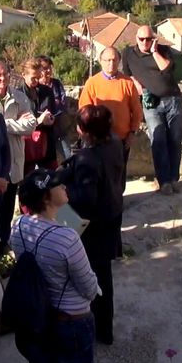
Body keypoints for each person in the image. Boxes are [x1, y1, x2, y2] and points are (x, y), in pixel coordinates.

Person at [11, 169, 99, 363]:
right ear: (46, 198)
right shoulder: (67, 237)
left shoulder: (18, 226)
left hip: (39, 317)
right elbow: (89, 289)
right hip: (71, 320)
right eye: (58, 185)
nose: (64, 187)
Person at [63, 104, 125, 345]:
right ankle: (105, 331)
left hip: (93, 226)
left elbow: (85, 200)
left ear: (83, 131)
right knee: (104, 278)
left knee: (89, 278)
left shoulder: (87, 158)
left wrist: (65, 189)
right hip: (112, 215)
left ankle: (90, 330)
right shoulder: (116, 143)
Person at [122, 25, 182, 195]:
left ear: (153, 39)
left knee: (175, 140)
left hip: (172, 99)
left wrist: (155, 51)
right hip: (151, 102)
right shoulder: (128, 53)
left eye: (148, 39)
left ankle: (173, 179)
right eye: (141, 39)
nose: (145, 42)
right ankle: (164, 181)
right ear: (136, 38)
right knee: (158, 140)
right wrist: (135, 82)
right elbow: (127, 74)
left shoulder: (164, 51)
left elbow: (166, 68)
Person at [0, 59, 37, 245]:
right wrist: (14, 122)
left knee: (7, 211)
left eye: (5, 75)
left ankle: (3, 249)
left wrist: (1, 123)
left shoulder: (19, 97)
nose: (2, 79)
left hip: (14, 162)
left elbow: (31, 126)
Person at [78, 47, 143, 183]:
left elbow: (136, 110)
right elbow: (84, 110)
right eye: (107, 60)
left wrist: (132, 133)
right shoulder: (92, 83)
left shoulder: (127, 83)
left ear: (119, 61)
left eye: (114, 60)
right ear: (101, 61)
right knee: (98, 173)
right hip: (97, 138)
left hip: (122, 138)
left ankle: (118, 201)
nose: (111, 63)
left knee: (119, 172)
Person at [18, 58, 56, 174]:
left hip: (47, 141)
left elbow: (52, 111)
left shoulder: (47, 91)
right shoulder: (18, 95)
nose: (36, 81)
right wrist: (39, 120)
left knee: (51, 176)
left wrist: (51, 119)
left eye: (38, 77)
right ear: (23, 75)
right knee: (27, 179)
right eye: (33, 78)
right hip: (27, 144)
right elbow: (19, 122)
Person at [38, 55, 71, 160]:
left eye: (49, 67)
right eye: (44, 68)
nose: (47, 70)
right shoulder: (36, 87)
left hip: (59, 128)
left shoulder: (56, 84)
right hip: (42, 130)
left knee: (67, 156)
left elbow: (63, 102)